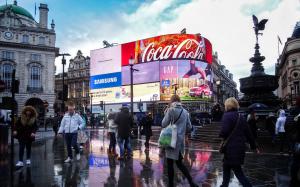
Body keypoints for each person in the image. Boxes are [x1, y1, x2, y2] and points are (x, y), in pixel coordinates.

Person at [219, 97, 259, 187]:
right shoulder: (241, 117)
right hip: (239, 148)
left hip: (230, 149)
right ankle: (224, 185)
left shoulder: (226, 116)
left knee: (238, 172)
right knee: (226, 167)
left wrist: (221, 134)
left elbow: (224, 132)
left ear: (227, 105)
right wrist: (254, 147)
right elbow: (249, 133)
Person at [162, 95, 198, 187]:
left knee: (170, 163)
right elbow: (189, 127)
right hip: (180, 142)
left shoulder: (170, 110)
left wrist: (166, 113)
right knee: (179, 163)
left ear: (172, 101)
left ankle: (171, 185)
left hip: (170, 140)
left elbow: (163, 124)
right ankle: (191, 182)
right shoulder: (185, 112)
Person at [290, 97, 300, 186]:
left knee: (296, 160)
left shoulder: (293, 112)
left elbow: (290, 125)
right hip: (297, 139)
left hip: (297, 139)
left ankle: (293, 179)